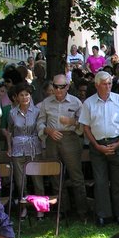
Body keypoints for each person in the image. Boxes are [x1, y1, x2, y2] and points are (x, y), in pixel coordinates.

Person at [79, 70, 119, 226]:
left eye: (110, 83)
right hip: (98, 145)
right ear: (97, 85)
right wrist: (96, 145)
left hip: (117, 143)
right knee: (100, 181)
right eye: (104, 84)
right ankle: (103, 214)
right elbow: (86, 127)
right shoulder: (89, 103)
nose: (108, 86)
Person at [36, 73, 88, 221]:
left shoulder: (76, 102)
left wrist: (73, 122)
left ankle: (82, 212)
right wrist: (47, 130)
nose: (58, 90)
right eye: (55, 86)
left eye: (62, 87)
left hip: (70, 138)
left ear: (67, 86)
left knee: (76, 176)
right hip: (52, 139)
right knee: (55, 176)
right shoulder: (46, 103)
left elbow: (84, 125)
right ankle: (62, 211)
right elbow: (40, 122)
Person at [7, 83, 45, 215]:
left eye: (27, 94)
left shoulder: (37, 112)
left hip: (34, 147)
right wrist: (9, 147)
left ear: (30, 95)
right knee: (20, 180)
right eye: (21, 95)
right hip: (18, 149)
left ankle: (40, 208)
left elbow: (40, 129)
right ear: (17, 97)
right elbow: (9, 132)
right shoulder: (12, 113)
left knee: (37, 179)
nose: (24, 97)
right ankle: (24, 207)